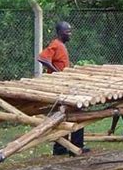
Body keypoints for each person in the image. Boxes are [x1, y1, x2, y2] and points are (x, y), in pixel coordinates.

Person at [37, 21, 90, 156]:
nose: (70, 34)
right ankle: (73, 147)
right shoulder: (56, 44)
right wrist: (57, 73)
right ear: (60, 32)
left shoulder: (61, 46)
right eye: (68, 31)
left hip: (66, 86)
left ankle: (62, 148)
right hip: (60, 87)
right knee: (77, 113)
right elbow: (42, 58)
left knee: (67, 116)